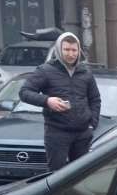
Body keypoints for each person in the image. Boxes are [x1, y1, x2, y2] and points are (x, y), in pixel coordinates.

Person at [19, 32, 101, 171]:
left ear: (79, 50)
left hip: (82, 133)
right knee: (56, 175)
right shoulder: (45, 70)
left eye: (74, 50)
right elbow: (24, 92)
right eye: (66, 49)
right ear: (58, 49)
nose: (71, 54)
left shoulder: (85, 72)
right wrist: (47, 101)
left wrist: (92, 124)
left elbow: (95, 99)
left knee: (81, 175)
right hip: (57, 132)